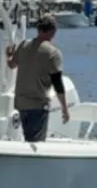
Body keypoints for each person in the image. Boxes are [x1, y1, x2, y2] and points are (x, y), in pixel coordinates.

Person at [6, 14, 70, 142]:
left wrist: (8, 56)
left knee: (28, 139)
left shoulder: (23, 45)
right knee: (36, 143)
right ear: (53, 31)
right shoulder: (53, 53)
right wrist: (64, 108)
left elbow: (12, 64)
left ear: (38, 29)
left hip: (21, 104)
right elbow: (57, 83)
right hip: (38, 105)